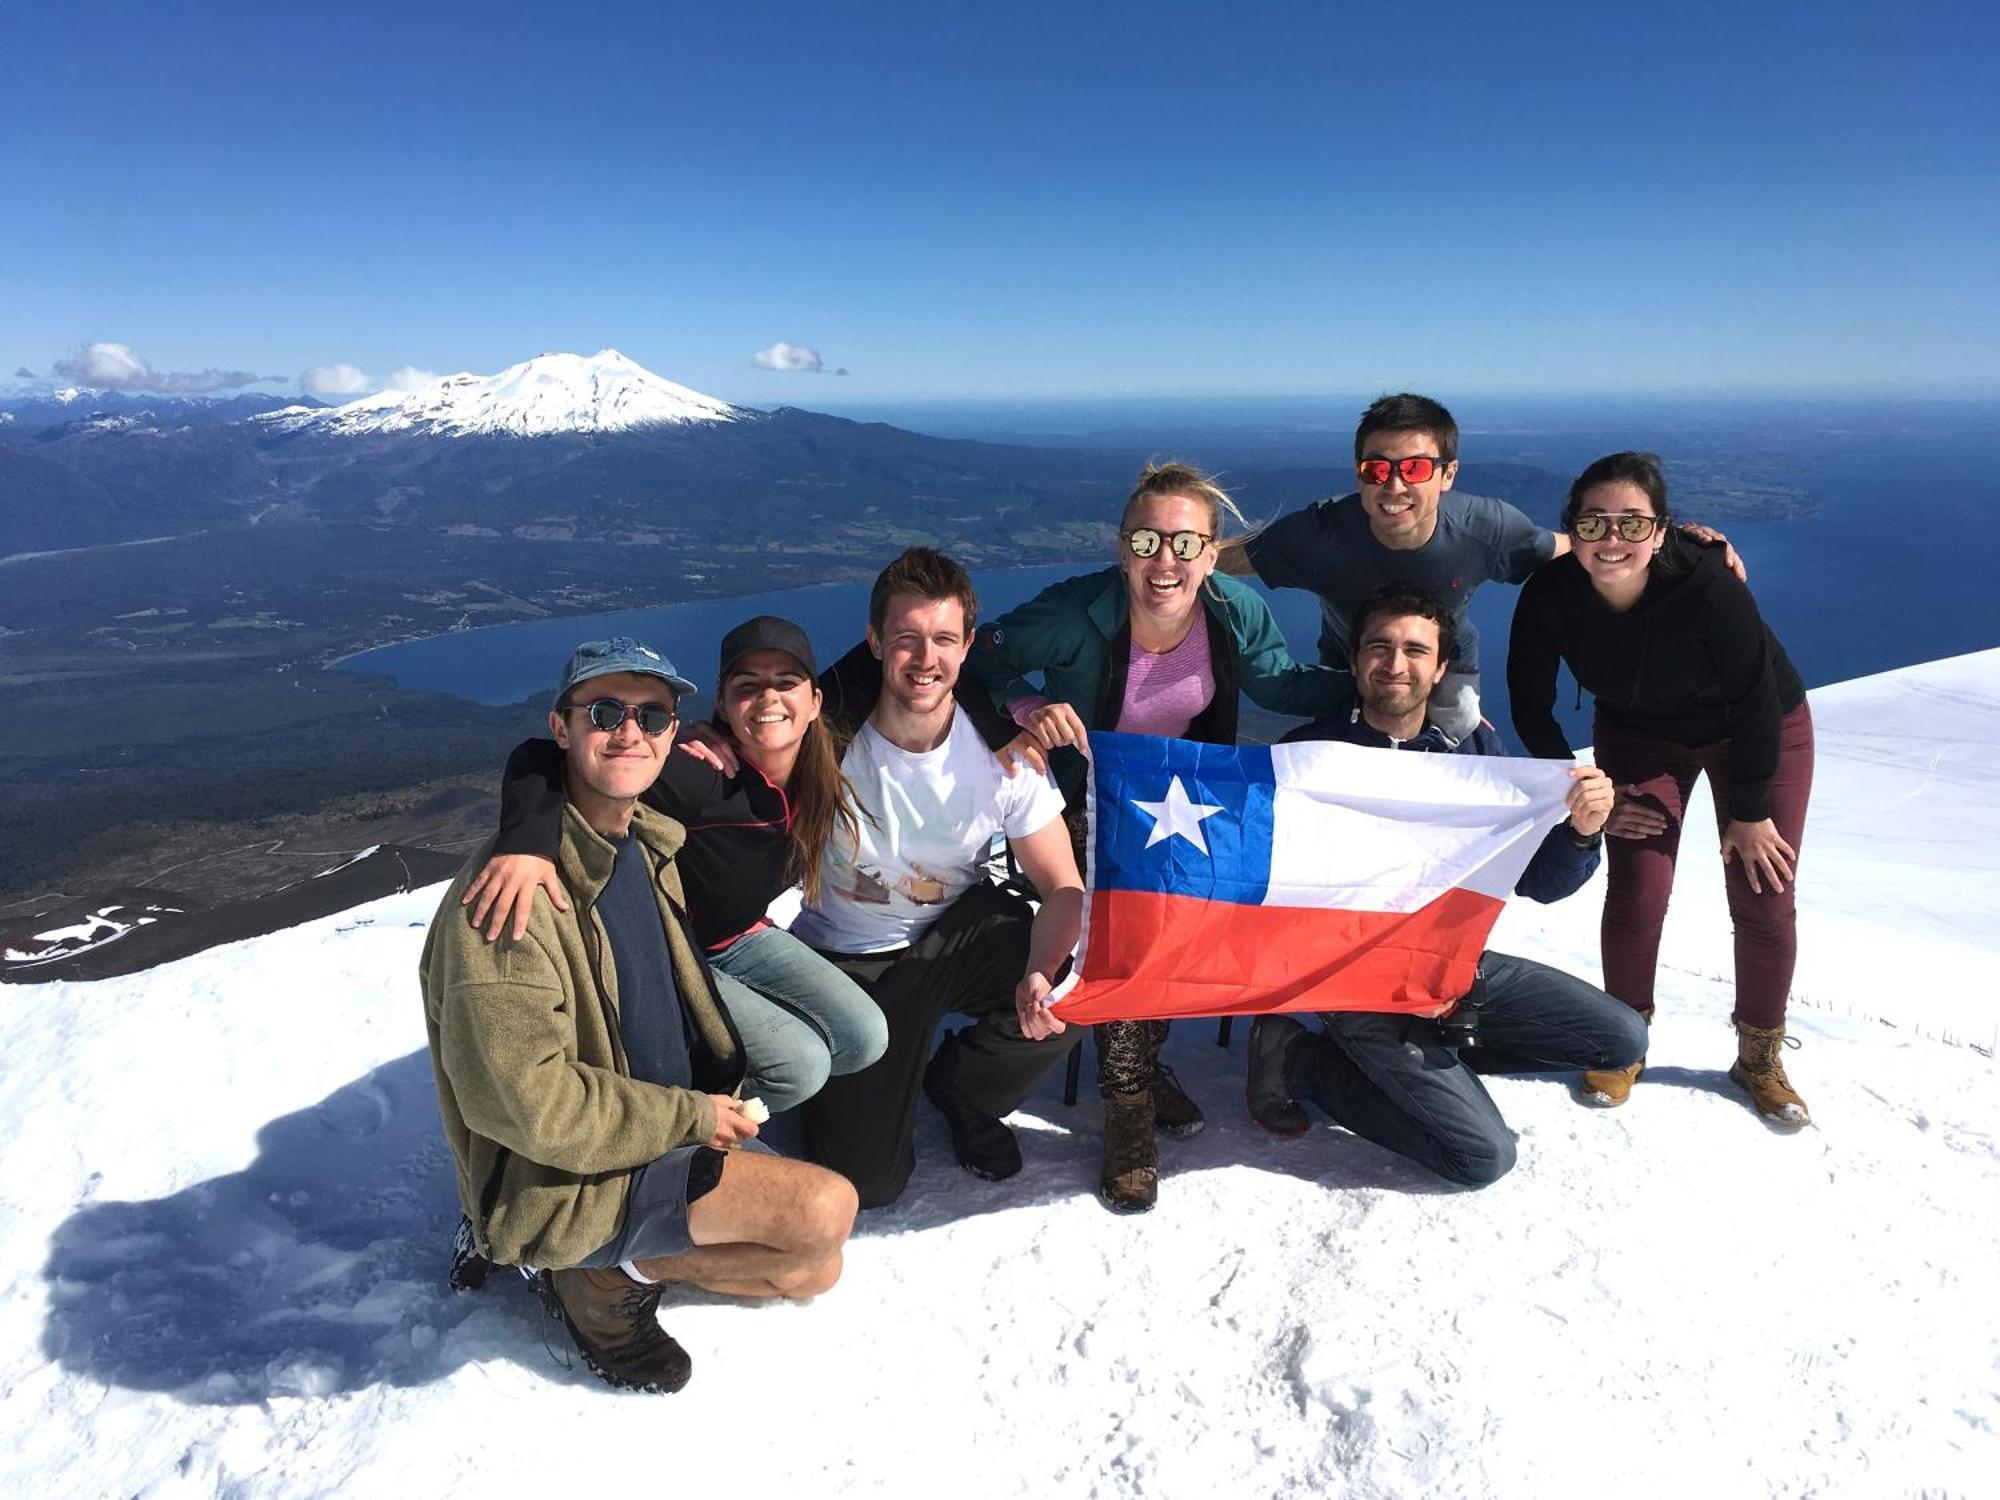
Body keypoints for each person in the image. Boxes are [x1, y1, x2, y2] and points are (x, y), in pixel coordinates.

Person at [420, 637, 857, 1394]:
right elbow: (536, 1108)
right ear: (562, 730)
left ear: (675, 735)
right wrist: (689, 1118)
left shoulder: (643, 846)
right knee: (825, 1210)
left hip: (642, 1128)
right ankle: (584, 1271)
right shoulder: (512, 902)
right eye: (605, 712)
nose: (630, 732)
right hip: (569, 1175)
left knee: (815, 1268)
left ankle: (609, 1260)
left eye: (652, 717)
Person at [963, 461, 1347, 1212]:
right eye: (1146, 539)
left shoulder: (1233, 613)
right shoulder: (1075, 612)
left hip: (1178, 806)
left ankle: (1141, 1061)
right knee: (1127, 921)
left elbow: (1280, 684)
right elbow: (983, 657)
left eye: (1184, 542)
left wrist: (1377, 682)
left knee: (1184, 912)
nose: (1164, 560)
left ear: (1211, 552)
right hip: (1078, 805)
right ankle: (1129, 1110)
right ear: (1120, 547)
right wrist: (1027, 705)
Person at [1243, 584, 1649, 1186]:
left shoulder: (1474, 752)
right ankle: (1299, 1059)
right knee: (1483, 1158)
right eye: (1379, 647)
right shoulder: (1307, 755)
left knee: (1622, 1038)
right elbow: (1267, 895)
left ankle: (1430, 1057)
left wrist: (1584, 833)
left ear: (1438, 670)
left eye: (1415, 650)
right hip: (1353, 980)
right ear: (1355, 660)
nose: (1395, 664)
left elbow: (1540, 880)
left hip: (1454, 968)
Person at [461, 617, 888, 1119]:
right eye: (747, 686)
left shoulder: (819, 754)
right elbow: (546, 755)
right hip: (674, 953)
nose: (770, 698)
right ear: (724, 705)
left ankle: (710, 1087)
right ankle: (676, 1128)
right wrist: (527, 841)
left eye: (786, 683)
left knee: (864, 1038)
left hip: (741, 937)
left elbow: (890, 658)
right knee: (800, 1067)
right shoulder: (701, 775)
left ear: (815, 701)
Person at [772, 547, 1085, 1208]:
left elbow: (1063, 887)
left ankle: (967, 1088)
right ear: (874, 642)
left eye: (943, 638)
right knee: (869, 1185)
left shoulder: (1004, 753)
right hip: (848, 961)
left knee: (1079, 982)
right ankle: (847, 1072)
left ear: (968, 646)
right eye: (906, 639)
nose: (925, 658)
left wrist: (1040, 966)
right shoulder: (822, 743)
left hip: (952, 938)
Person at [1508, 452, 1814, 1125]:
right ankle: (1623, 1042)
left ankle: (1758, 1056)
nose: (1612, 540)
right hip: (1642, 737)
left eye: (1631, 524)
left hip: (1756, 733)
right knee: (1639, 888)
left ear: (1662, 530)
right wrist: (1588, 789)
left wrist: (1752, 809)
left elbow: (1757, 695)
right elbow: (1531, 706)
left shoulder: (1706, 581)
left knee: (1764, 890)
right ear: (1573, 530)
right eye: (1593, 525)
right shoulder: (1552, 594)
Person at [1218, 393, 1738, 741]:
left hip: (1448, 664)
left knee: (1457, 744)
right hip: (1350, 664)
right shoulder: (1320, 533)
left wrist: (1679, 545)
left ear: (1447, 475)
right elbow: (1221, 557)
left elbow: (1574, 545)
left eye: (1415, 468)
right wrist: (1152, 557)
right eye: (1377, 468)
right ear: (1359, 475)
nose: (1394, 486)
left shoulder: (1484, 529)